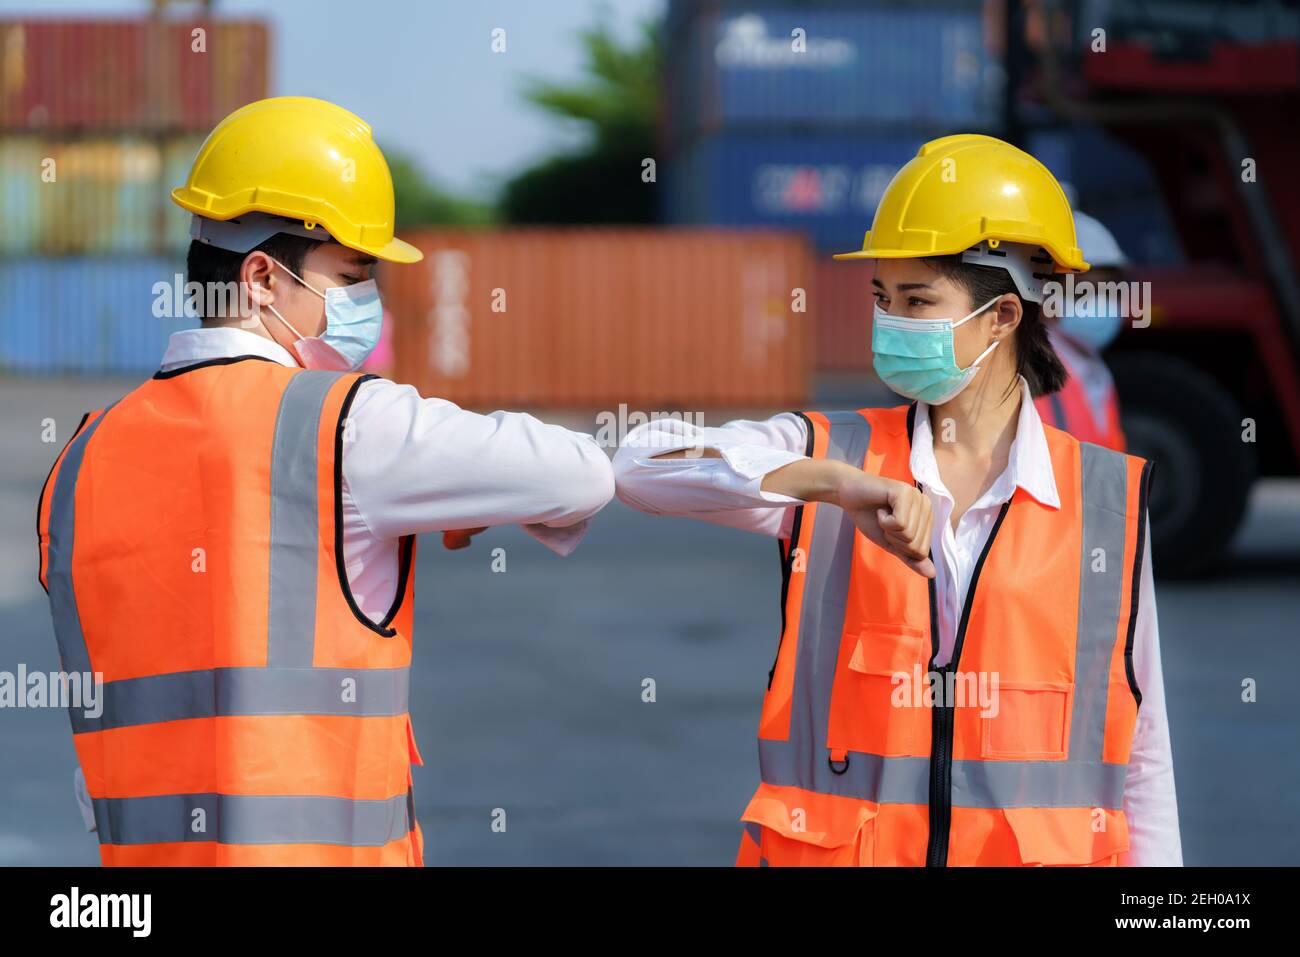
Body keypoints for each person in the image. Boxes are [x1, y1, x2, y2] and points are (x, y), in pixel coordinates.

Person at [37, 96, 614, 866]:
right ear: (263, 278)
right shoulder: (345, 425)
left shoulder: (80, 457)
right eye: (352, 274)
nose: (366, 301)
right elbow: (578, 474)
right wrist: (469, 502)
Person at [614, 134, 1181, 866]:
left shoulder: (1106, 500)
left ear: (1003, 317)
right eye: (883, 297)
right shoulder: (835, 455)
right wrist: (829, 483)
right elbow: (638, 463)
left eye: (917, 300)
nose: (890, 321)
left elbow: (1144, 756)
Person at [1034, 211, 1129, 450]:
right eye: (1084, 291)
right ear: (1044, 289)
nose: (1100, 302)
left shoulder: (1093, 369)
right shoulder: (1027, 369)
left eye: (1109, 290)